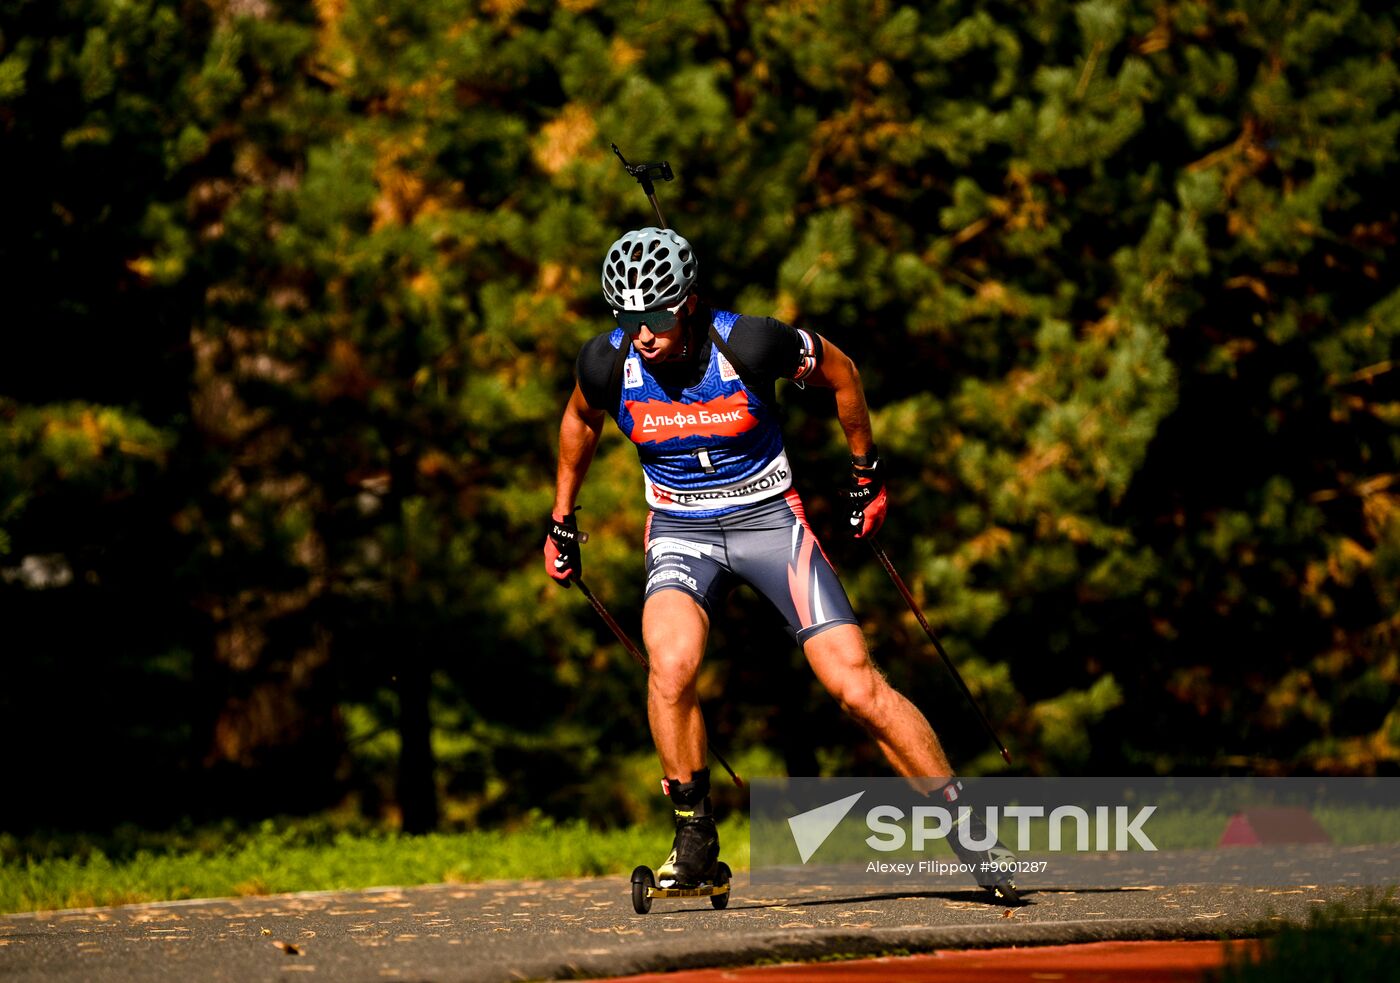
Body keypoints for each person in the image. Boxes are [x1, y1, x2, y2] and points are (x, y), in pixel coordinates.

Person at [544, 226, 1019, 903]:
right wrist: (562, 518)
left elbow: (841, 373)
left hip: (770, 521)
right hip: (681, 529)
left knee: (855, 686)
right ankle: (694, 840)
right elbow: (579, 420)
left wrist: (866, 474)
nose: (642, 334)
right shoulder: (606, 361)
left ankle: (967, 828)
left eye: (657, 317)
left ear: (688, 303)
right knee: (670, 667)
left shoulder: (750, 343)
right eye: (627, 318)